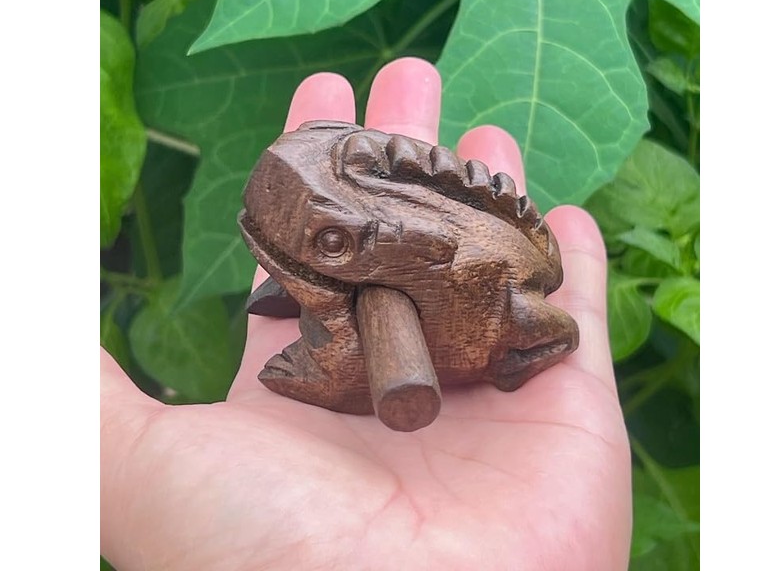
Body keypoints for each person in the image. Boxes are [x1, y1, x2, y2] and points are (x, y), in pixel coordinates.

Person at [100, 58, 632, 570]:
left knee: (535, 320)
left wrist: (321, 370)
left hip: (488, 290)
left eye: (332, 242)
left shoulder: (397, 284)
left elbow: (353, 375)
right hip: (414, 253)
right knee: (319, 242)